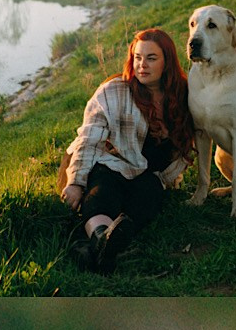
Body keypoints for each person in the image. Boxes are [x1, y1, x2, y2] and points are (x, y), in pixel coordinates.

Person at [60, 28, 194, 274]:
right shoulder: (113, 92)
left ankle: (94, 249)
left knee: (148, 199)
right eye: (138, 58)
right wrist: (76, 182)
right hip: (112, 163)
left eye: (151, 58)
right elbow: (88, 140)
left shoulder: (184, 95)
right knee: (103, 193)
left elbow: (187, 144)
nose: (142, 65)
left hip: (149, 176)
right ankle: (102, 239)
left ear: (167, 61)